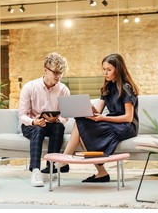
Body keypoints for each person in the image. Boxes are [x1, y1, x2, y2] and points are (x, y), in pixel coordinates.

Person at [62, 53, 139, 183]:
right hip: (112, 123)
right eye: (104, 69)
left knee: (81, 127)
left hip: (125, 127)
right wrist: (88, 108)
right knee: (81, 123)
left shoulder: (126, 88)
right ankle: (101, 173)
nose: (105, 73)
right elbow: (98, 112)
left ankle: (64, 160)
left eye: (109, 70)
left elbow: (128, 118)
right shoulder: (107, 88)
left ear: (118, 70)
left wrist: (102, 118)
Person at [19, 52, 70, 187]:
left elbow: (66, 115)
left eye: (61, 73)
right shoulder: (30, 87)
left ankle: (51, 168)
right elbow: (22, 115)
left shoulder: (63, 90)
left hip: (52, 125)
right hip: (31, 125)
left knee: (59, 127)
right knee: (38, 129)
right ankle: (35, 170)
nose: (58, 77)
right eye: (56, 73)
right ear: (45, 70)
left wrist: (57, 120)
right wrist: (34, 121)